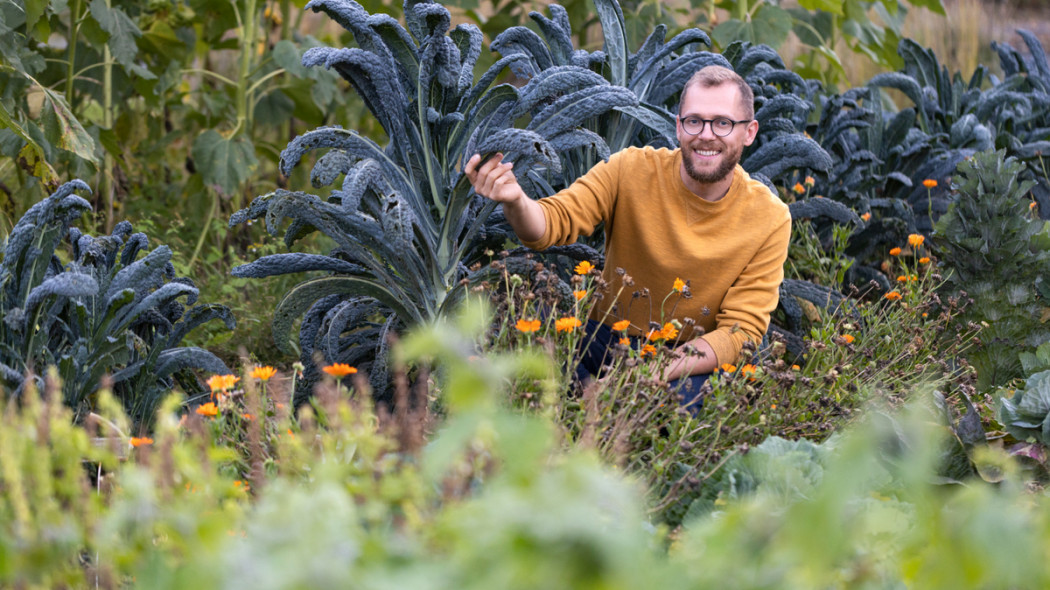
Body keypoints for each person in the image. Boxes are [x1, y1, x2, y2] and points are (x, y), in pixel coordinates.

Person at [463, 65, 791, 411]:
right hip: (605, 337)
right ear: (678, 126)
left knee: (674, 408)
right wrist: (516, 200)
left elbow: (741, 332)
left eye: (723, 123)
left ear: (749, 132)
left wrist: (639, 377)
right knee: (520, 353)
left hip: (687, 358)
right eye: (694, 121)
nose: (706, 135)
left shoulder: (768, 217)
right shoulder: (631, 169)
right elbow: (550, 224)